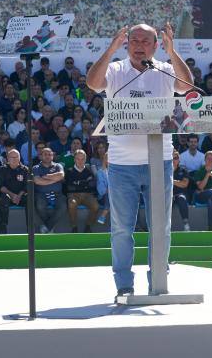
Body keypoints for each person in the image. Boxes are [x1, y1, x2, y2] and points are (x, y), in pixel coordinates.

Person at [86, 22, 192, 299]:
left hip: (161, 162)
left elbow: (186, 86)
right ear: (126, 43)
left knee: (161, 227)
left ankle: (158, 281)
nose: (140, 45)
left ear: (156, 45)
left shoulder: (165, 69)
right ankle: (124, 284)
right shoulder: (116, 69)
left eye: (146, 41)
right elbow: (93, 83)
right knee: (122, 228)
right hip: (122, 165)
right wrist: (110, 49)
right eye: (134, 40)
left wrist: (173, 52)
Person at [64, 149, 99, 233]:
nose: (80, 161)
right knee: (71, 204)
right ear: (74, 159)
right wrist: (85, 183)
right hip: (73, 195)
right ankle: (74, 227)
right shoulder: (69, 171)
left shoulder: (89, 170)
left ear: (85, 159)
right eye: (78, 159)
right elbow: (69, 187)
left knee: (96, 206)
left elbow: (92, 185)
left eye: (82, 159)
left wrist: (77, 183)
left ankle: (88, 226)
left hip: (87, 195)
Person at [32, 147, 65, 234]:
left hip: (57, 194)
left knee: (63, 207)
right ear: (41, 156)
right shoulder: (35, 168)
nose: (47, 156)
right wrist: (55, 179)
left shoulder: (58, 166)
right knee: (40, 206)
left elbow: (61, 175)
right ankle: (50, 228)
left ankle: (47, 227)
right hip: (41, 194)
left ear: (53, 156)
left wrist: (45, 176)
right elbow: (37, 181)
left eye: (49, 154)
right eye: (45, 154)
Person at [0, 149, 28, 234]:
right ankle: (3, 230)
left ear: (19, 158)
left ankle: (30, 229)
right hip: (8, 195)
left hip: (21, 196)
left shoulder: (25, 169)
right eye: (11, 157)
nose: (14, 159)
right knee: (4, 199)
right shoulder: (2, 169)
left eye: (16, 157)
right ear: (7, 158)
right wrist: (13, 195)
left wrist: (19, 196)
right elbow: (1, 186)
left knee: (30, 199)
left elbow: (27, 186)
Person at [172, 150, 192, 231]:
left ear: (179, 160)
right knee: (165, 200)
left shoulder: (183, 170)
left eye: (176, 158)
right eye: (172, 158)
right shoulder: (164, 170)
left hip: (180, 194)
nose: (174, 160)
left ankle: (186, 224)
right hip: (167, 195)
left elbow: (184, 184)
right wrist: (177, 182)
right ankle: (165, 226)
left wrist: (171, 181)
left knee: (182, 198)